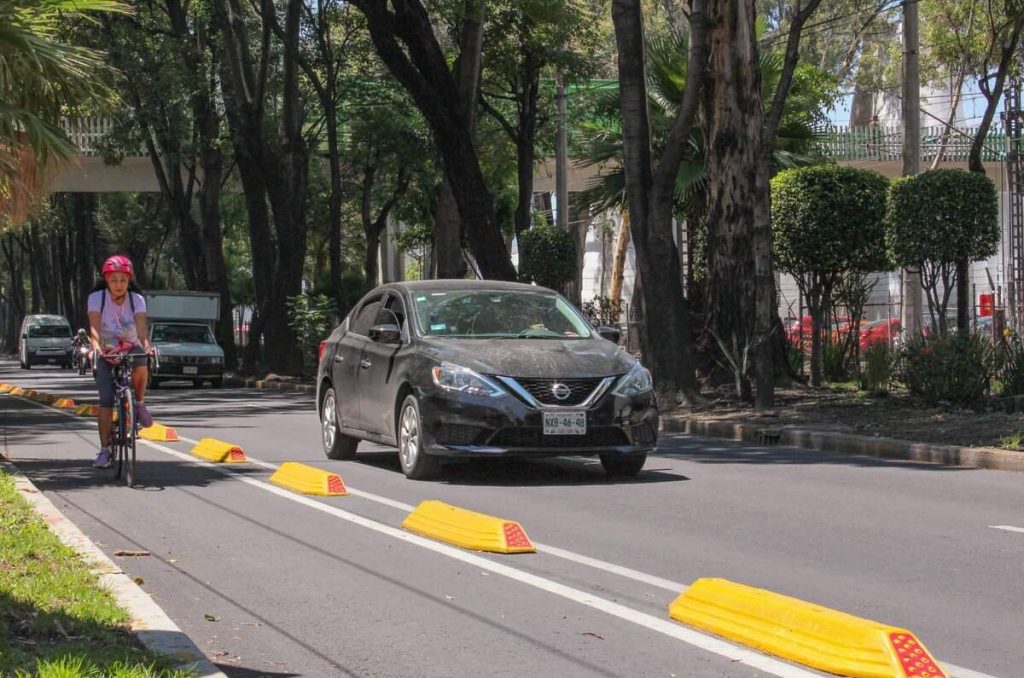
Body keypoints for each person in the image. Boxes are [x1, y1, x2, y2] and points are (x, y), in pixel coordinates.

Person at [87, 255, 154, 468]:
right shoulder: (97, 298)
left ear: (129, 281)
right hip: (105, 348)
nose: (118, 285)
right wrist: (96, 349)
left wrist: (146, 344)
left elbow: (141, 327)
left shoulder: (137, 300)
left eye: (123, 280)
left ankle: (139, 403)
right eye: (114, 280)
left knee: (142, 360)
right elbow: (95, 328)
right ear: (107, 280)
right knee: (106, 400)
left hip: (129, 345)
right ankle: (105, 450)